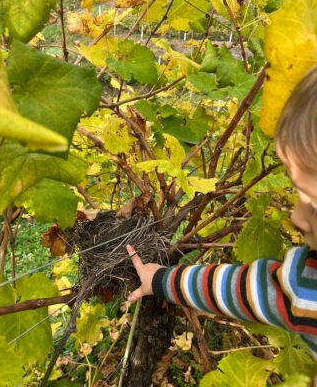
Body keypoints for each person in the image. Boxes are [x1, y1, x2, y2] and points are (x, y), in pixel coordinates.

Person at [126, 66, 317, 360]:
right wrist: (162, 280)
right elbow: (246, 290)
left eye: (314, 206)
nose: (296, 217)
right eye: (298, 195)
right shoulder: (306, 283)